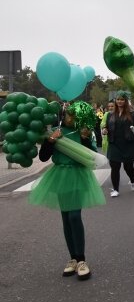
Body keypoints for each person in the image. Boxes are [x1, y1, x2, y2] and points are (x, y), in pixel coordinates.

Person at [29, 102, 105, 280]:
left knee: (74, 216)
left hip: (78, 176)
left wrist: (86, 138)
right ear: (64, 115)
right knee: (66, 218)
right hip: (60, 175)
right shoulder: (55, 130)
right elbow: (43, 157)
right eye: (69, 115)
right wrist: (50, 140)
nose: (72, 119)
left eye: (76, 116)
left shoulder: (83, 132)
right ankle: (72, 258)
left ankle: (81, 260)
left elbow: (92, 156)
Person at [106, 91, 134, 197]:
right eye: (118, 99)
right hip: (114, 144)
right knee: (115, 166)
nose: (119, 101)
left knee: (128, 167)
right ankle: (116, 189)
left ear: (126, 101)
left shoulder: (133, 114)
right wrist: (105, 130)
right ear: (115, 101)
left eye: (122, 99)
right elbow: (107, 127)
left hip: (128, 143)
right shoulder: (110, 115)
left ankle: (132, 180)